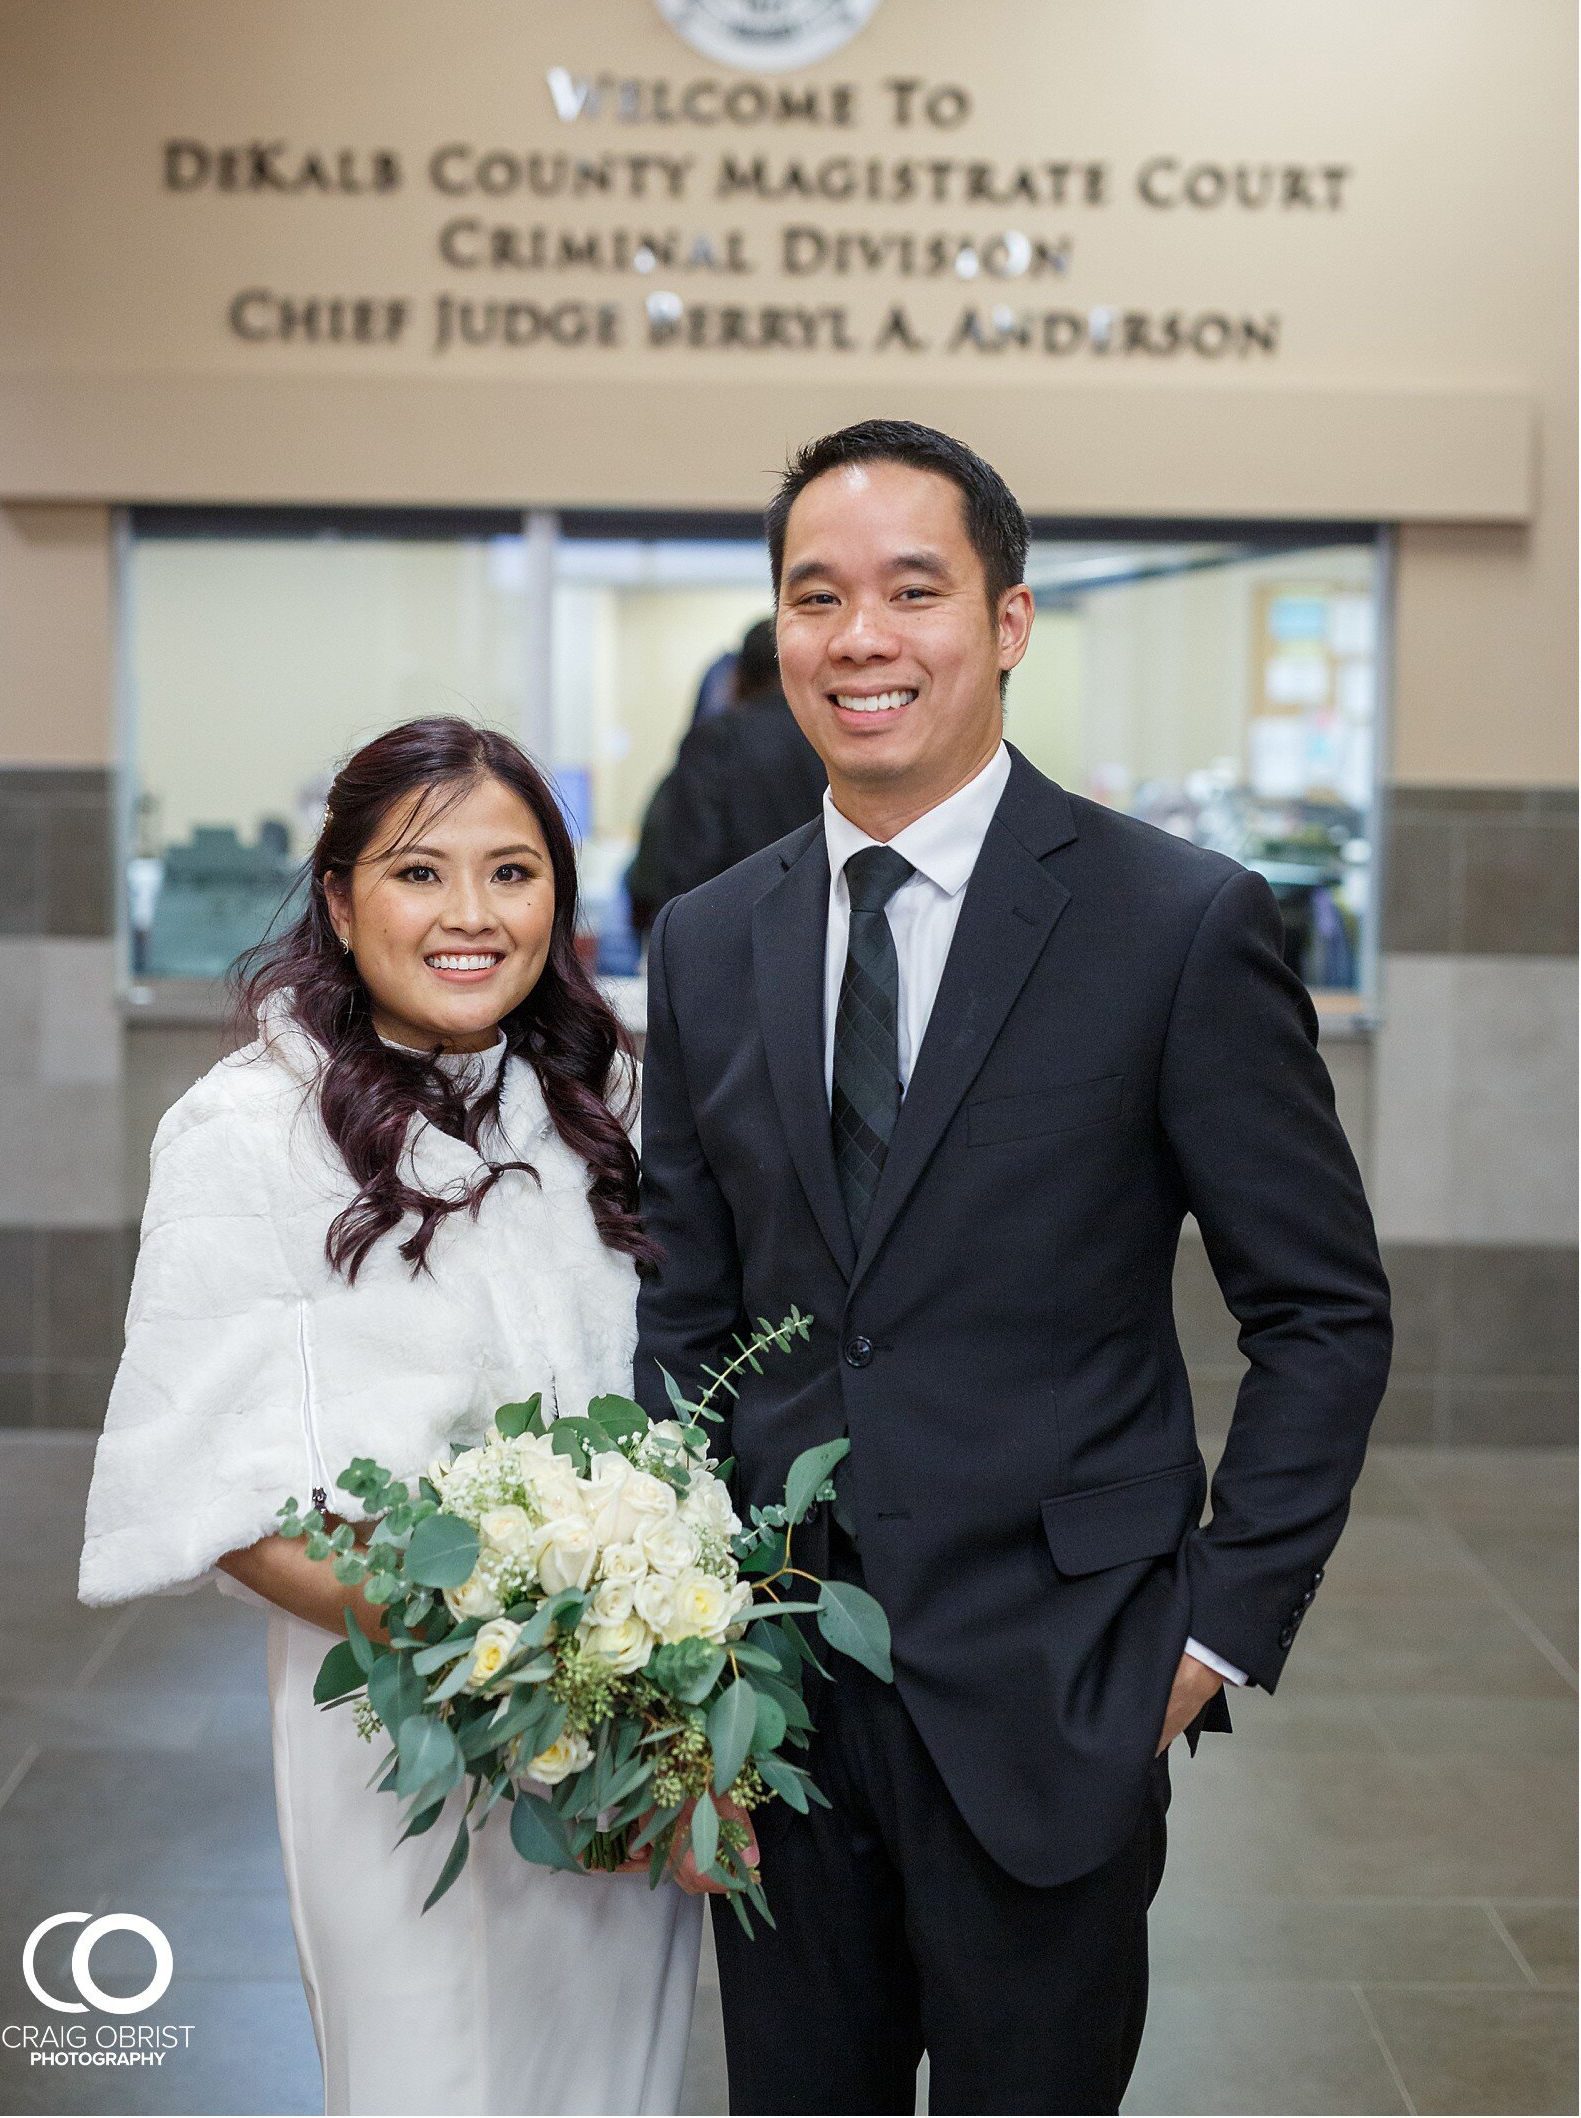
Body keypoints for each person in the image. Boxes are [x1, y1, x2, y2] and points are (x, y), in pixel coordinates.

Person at [633, 420, 1393, 2116]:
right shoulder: (706, 938)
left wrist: (1218, 1628)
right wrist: (683, 1669)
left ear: (1009, 620)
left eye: (915, 589)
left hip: (1062, 1681)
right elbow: (687, 1307)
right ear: (778, 631)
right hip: (773, 1701)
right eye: (816, 596)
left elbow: (1323, 1310)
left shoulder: (1176, 921)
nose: (863, 637)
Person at [80, 718, 702, 2118]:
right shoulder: (248, 1129)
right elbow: (225, 1501)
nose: (473, 915)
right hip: (399, 1734)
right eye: (422, 872)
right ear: (342, 894)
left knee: (618, 2082)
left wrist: (641, 1721)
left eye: (515, 870)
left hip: (619, 1756)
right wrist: (541, 1684)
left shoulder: (602, 1103)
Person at [626, 618, 826, 933]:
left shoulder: (717, 742)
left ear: (739, 677)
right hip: (827, 936)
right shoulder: (835, 737)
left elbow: (688, 864)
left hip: (737, 939)